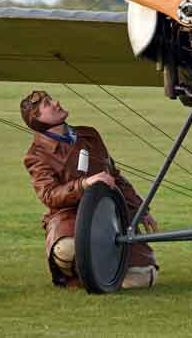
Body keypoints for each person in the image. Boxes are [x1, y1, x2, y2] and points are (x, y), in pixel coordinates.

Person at [20, 90, 159, 289]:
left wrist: (140, 209)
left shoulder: (89, 135)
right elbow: (49, 195)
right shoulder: (36, 156)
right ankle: (88, 276)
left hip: (109, 213)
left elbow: (115, 176)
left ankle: (104, 271)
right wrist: (83, 184)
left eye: (52, 99)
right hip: (70, 216)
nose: (56, 103)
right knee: (66, 249)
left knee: (145, 276)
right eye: (48, 104)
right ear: (37, 118)